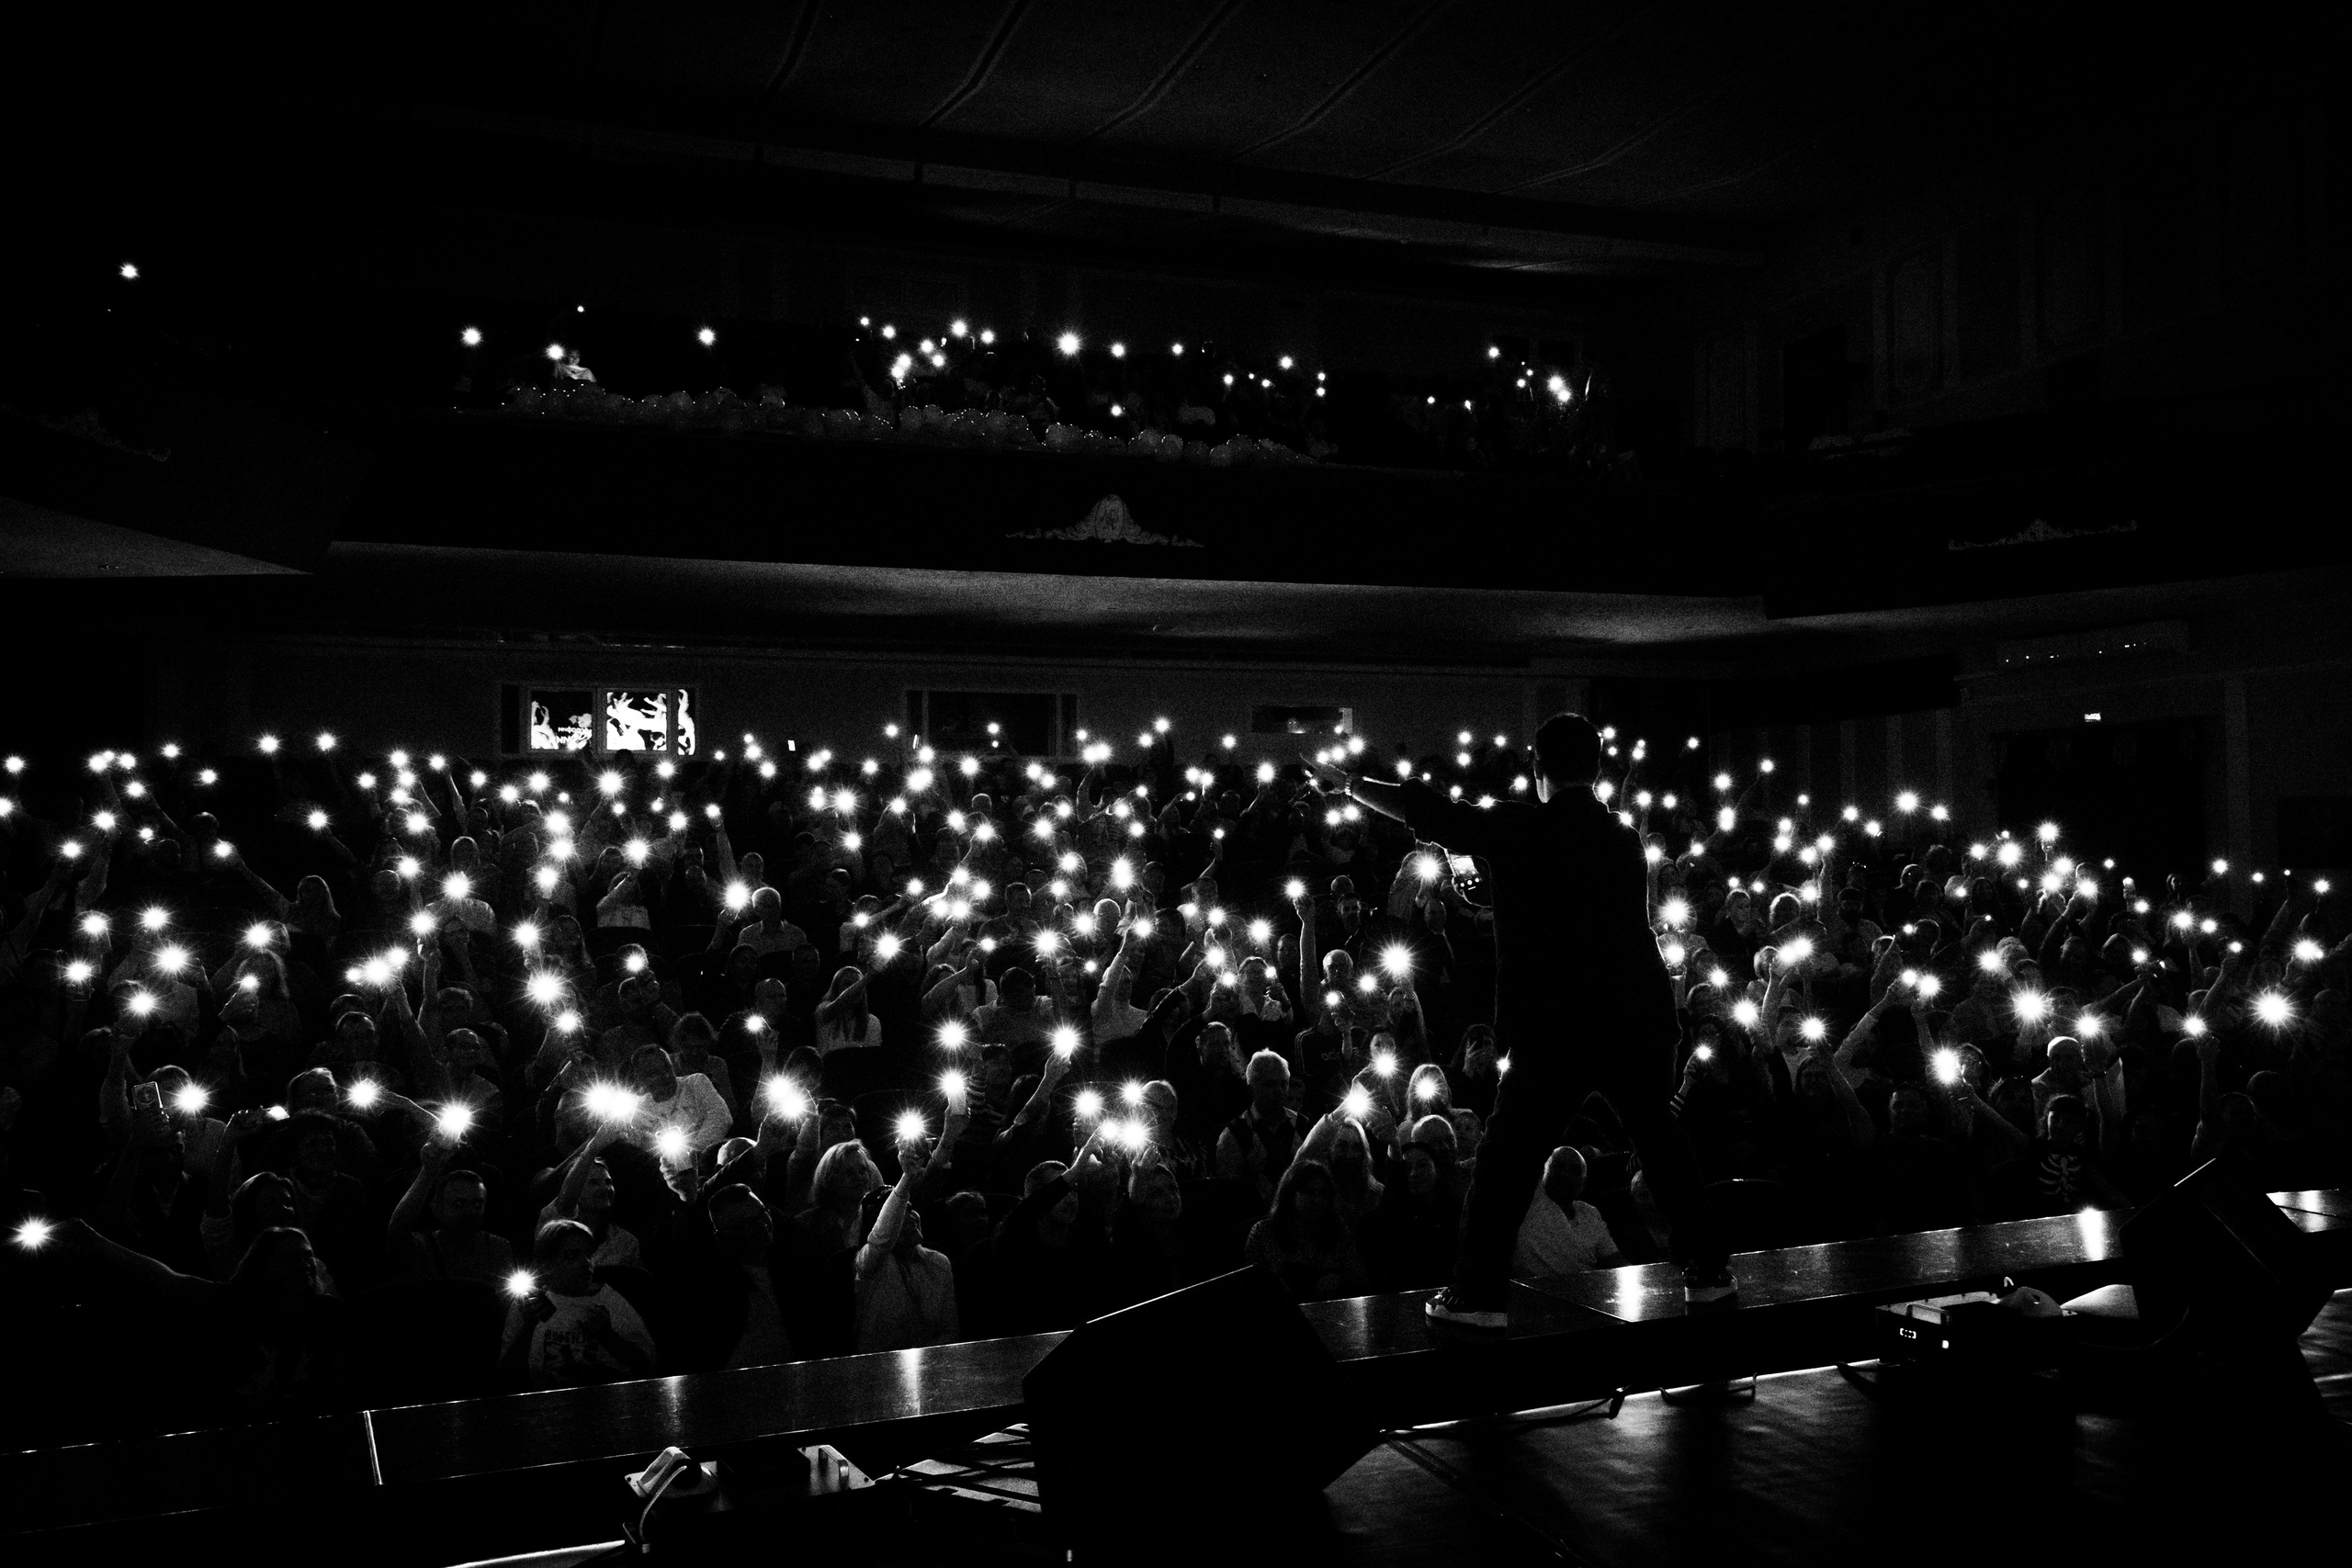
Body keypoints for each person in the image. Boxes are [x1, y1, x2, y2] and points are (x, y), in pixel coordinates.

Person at [1311, 711, 1730, 1331]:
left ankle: (1477, 1294)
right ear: (1596, 769)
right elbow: (1569, 903)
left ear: (1538, 768)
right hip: (1638, 1016)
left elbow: (1432, 810)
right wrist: (1492, 885)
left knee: (1506, 1162)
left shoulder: (1520, 825)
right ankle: (1710, 1274)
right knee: (1662, 1143)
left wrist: (1351, 784)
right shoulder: (1620, 838)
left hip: (1557, 1025)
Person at [501, 1219, 659, 1387]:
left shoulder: (610, 1301)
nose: (586, 1263)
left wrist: (608, 1336)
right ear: (546, 1264)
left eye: (589, 1254)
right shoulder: (530, 1305)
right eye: (571, 1256)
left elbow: (648, 1367)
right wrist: (528, 1327)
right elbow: (506, 1377)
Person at [1512, 1146, 1625, 1276]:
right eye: (1558, 1167)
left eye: (1574, 1170)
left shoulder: (1590, 1213)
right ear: (1543, 1171)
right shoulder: (1529, 1203)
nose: (1565, 1174)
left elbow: (1612, 1258)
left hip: (1583, 1290)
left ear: (1584, 1181)